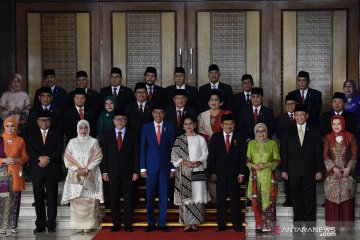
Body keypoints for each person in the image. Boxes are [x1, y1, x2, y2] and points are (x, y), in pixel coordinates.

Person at [281, 104, 323, 228]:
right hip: (293, 170)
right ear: (293, 116)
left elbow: (318, 151)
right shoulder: (287, 131)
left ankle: (310, 222)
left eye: (302, 115)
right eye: (297, 115)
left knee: (310, 197)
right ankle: (298, 221)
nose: (299, 117)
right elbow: (284, 152)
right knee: (296, 196)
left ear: (307, 116)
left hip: (310, 170)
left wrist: (319, 169)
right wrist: (284, 170)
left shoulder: (315, 130)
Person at [61, 120, 103, 233]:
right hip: (76, 175)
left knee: (90, 201)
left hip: (91, 174)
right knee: (77, 200)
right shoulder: (72, 142)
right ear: (77, 129)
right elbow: (67, 158)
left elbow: (98, 156)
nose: (83, 130)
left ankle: (89, 225)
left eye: (85, 127)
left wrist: (87, 169)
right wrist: (78, 170)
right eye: (81, 128)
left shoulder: (94, 141)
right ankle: (78, 225)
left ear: (88, 128)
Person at [101, 110, 139, 232]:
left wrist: (136, 171)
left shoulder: (133, 134)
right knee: (113, 198)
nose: (120, 121)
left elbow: (136, 154)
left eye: (122, 119)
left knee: (129, 198)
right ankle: (116, 223)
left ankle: (128, 224)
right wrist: (105, 171)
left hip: (129, 172)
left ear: (126, 121)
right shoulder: (107, 135)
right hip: (112, 172)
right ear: (113, 121)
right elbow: (105, 155)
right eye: (117, 119)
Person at [27, 110, 63, 234]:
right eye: (41, 120)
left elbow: (59, 149)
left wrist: (48, 158)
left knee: (52, 198)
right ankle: (40, 225)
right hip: (37, 169)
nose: (44, 122)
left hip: (52, 169)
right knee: (38, 198)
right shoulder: (31, 133)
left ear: (50, 121)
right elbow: (29, 148)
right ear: (37, 121)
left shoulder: (57, 132)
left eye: (47, 120)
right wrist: (39, 158)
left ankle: (51, 224)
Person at [171, 115, 209, 232]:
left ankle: (195, 222)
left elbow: (205, 153)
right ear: (183, 126)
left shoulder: (200, 139)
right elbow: (174, 156)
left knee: (197, 196)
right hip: (184, 172)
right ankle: (187, 223)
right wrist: (185, 162)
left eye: (191, 123)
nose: (188, 126)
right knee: (187, 198)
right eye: (186, 124)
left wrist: (197, 162)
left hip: (198, 170)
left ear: (195, 125)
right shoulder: (179, 139)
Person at [140, 103, 175, 232]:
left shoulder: (170, 127)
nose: (158, 115)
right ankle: (150, 223)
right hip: (150, 168)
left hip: (165, 168)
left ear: (164, 114)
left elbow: (173, 149)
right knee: (149, 196)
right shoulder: (146, 127)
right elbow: (143, 148)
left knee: (163, 195)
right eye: (156, 112)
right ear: (152, 113)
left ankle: (162, 223)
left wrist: (173, 168)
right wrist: (142, 168)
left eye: (161, 112)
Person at [208, 113, 245, 232]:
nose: (229, 126)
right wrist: (212, 172)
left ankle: (237, 225)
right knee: (221, 200)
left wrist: (241, 173)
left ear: (234, 125)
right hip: (220, 174)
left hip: (235, 175)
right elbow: (212, 156)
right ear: (221, 125)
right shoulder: (215, 137)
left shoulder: (239, 137)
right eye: (226, 124)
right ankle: (221, 224)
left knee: (235, 200)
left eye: (231, 124)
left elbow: (242, 157)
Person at [323, 115, 358, 231]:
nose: (336, 126)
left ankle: (347, 227)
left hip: (347, 175)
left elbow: (355, 153)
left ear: (343, 124)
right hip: (333, 175)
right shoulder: (328, 137)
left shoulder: (350, 136)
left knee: (347, 199)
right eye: (334, 124)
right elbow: (325, 154)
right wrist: (333, 168)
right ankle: (334, 227)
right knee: (332, 200)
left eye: (338, 123)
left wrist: (349, 168)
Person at [247, 123, 280, 233]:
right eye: (258, 131)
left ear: (266, 132)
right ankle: (258, 225)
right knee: (257, 201)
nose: (261, 133)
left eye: (263, 131)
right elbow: (247, 160)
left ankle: (268, 225)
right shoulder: (251, 144)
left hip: (268, 176)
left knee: (268, 201)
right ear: (255, 133)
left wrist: (267, 165)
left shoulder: (272, 143)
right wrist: (253, 166)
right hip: (255, 177)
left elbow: (278, 160)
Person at [0, 117, 28, 235]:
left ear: (16, 127)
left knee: (15, 200)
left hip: (16, 174)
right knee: (3, 201)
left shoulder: (20, 140)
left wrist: (17, 160)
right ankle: (2, 226)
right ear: (4, 127)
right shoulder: (0, 140)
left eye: (12, 126)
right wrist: (4, 160)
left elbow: (25, 157)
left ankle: (13, 226)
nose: (10, 128)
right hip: (2, 174)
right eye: (8, 126)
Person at [276, 93, 297, 207]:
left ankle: (297, 199)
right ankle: (289, 199)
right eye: (288, 104)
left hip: (299, 152)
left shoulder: (300, 116)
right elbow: (279, 133)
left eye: (292, 104)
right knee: (286, 176)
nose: (290, 106)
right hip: (285, 151)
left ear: (296, 105)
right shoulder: (281, 118)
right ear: (285, 106)